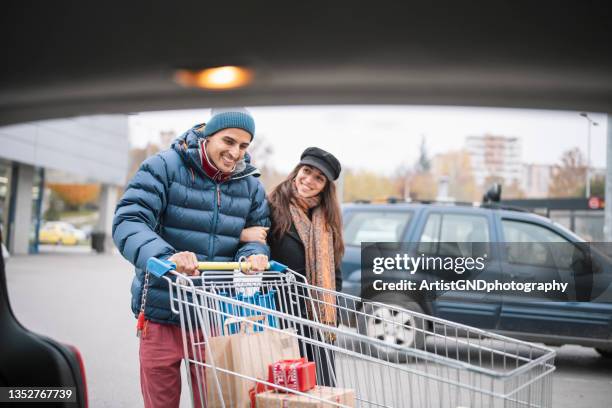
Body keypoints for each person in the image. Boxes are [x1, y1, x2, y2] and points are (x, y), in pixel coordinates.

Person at [113, 107, 270, 408]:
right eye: (228, 141)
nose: (235, 153)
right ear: (208, 135)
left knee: (214, 402)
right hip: (162, 310)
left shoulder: (251, 186)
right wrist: (167, 257)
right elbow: (129, 221)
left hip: (214, 317)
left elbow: (256, 237)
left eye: (243, 146)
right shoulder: (163, 167)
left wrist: (253, 255)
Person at [241, 147, 344, 387]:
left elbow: (335, 273)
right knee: (287, 391)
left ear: (326, 186)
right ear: (297, 171)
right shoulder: (272, 207)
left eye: (319, 178)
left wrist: (333, 315)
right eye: (306, 171)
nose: (309, 180)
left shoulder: (327, 221)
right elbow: (255, 246)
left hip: (318, 325)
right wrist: (243, 235)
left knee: (320, 390)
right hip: (281, 318)